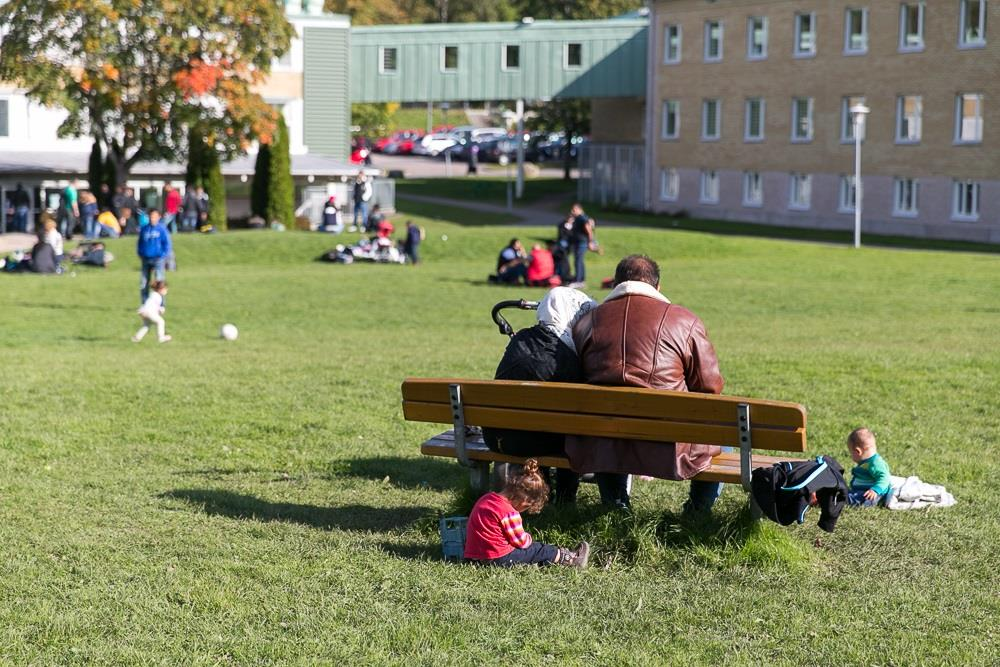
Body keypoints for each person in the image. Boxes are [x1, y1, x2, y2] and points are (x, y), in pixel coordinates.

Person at [569, 254, 725, 513]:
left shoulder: (587, 322)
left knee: (608, 422)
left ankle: (615, 503)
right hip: (669, 446)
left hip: (603, 441)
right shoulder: (685, 321)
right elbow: (710, 388)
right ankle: (698, 510)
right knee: (723, 426)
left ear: (615, 284)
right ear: (658, 287)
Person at [482, 287, 597, 504]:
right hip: (535, 440)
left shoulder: (521, 338)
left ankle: (542, 498)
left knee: (542, 423)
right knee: (571, 432)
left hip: (497, 437)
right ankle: (565, 499)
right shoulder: (570, 358)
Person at [463, 459, 590, 568]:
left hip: (476, 556)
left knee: (530, 552)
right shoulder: (509, 512)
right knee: (538, 549)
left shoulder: (487, 498)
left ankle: (543, 562)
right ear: (525, 500)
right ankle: (571, 559)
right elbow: (521, 542)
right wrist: (528, 537)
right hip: (498, 558)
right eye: (528, 507)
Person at [846, 427, 892, 507]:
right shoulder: (868, 462)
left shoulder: (875, 463)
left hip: (873, 497)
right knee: (847, 493)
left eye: (851, 452)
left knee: (850, 498)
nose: (851, 456)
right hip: (863, 491)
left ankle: (834, 500)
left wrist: (875, 490)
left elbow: (885, 478)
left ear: (858, 451)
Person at [137, 208, 172, 305]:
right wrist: (140, 253)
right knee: (143, 283)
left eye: (155, 217)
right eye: (151, 217)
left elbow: (167, 244)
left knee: (159, 282)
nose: (153, 219)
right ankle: (144, 304)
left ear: (159, 217)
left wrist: (163, 255)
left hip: (158, 259)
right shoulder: (144, 229)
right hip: (146, 259)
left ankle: (161, 305)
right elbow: (140, 243)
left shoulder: (162, 229)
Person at [567, 203, 595, 286]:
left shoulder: (582, 218)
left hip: (582, 242)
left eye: (574, 210)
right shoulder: (577, 218)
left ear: (580, 209)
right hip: (578, 242)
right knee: (579, 260)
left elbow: (589, 230)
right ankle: (581, 280)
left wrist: (590, 242)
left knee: (578, 261)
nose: (572, 211)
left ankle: (579, 280)